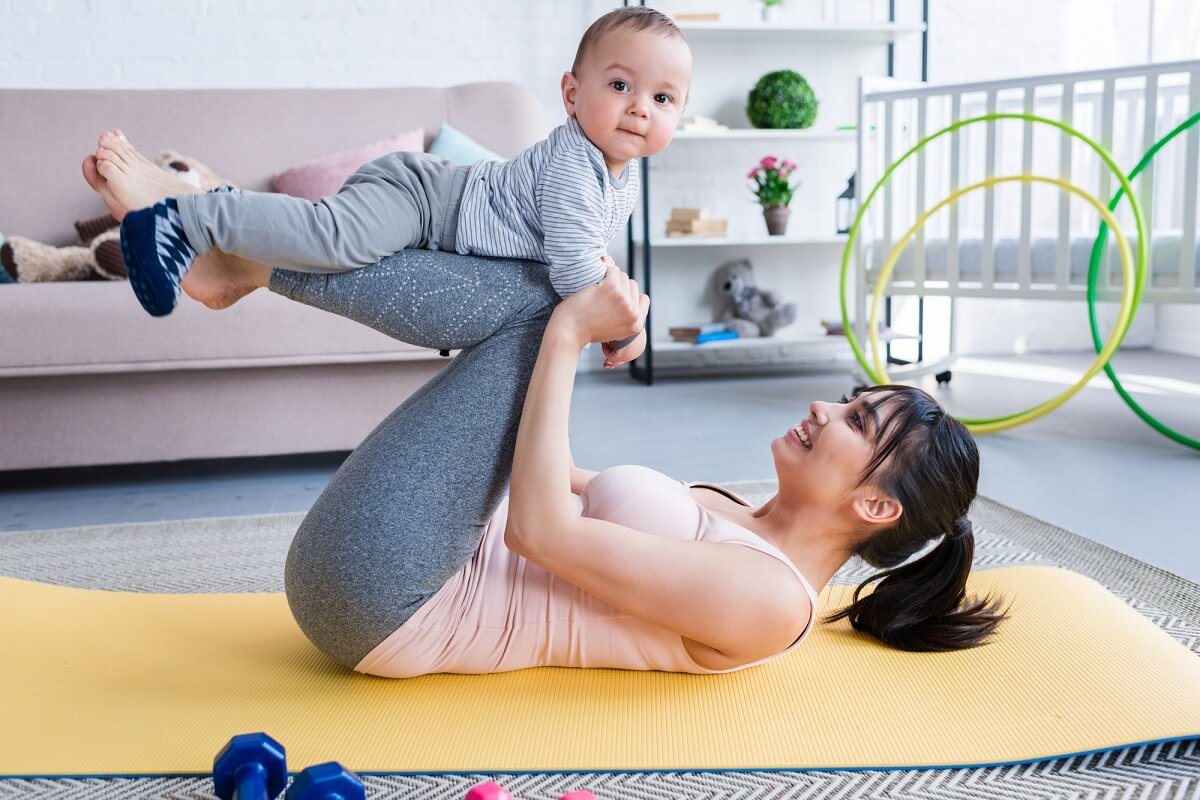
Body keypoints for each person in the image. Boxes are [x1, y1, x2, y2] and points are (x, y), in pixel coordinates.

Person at [82, 129, 1008, 683]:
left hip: (391, 601)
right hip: (399, 560)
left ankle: (233, 247)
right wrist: (572, 326)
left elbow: (538, 533)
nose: (824, 406)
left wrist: (568, 337)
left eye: (857, 423)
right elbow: (540, 467)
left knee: (546, 304)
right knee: (546, 286)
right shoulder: (735, 515)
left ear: (876, 506)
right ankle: (236, 255)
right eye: (849, 400)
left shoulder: (772, 604)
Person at [95, 6, 693, 369]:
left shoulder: (621, 175)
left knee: (322, 238)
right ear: (570, 93)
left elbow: (591, 249)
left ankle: (224, 216)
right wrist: (625, 321)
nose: (640, 109)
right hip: (424, 199)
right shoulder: (573, 163)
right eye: (620, 86)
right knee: (333, 239)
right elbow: (572, 264)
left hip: (437, 210)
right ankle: (183, 218)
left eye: (662, 98)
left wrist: (619, 296)